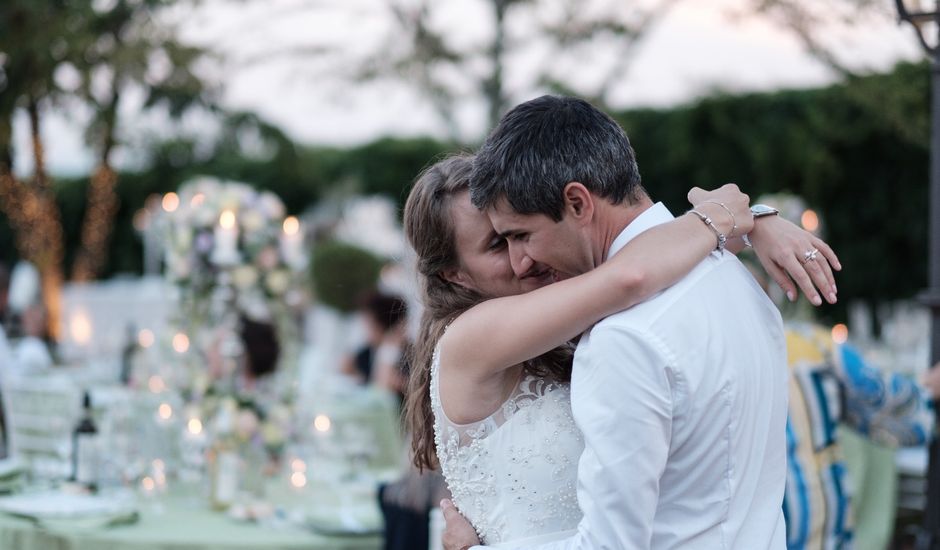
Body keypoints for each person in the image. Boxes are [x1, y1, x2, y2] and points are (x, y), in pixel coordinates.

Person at [438, 95, 840, 550]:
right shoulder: (734, 278)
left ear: (577, 202)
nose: (520, 260)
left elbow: (609, 546)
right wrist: (750, 222)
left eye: (521, 236)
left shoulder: (622, 337)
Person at [341, 291, 411, 398]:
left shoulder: (408, 355)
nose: (364, 327)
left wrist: (389, 349)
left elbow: (384, 388)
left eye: (369, 323)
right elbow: (345, 368)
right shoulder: (367, 352)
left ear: (382, 325)